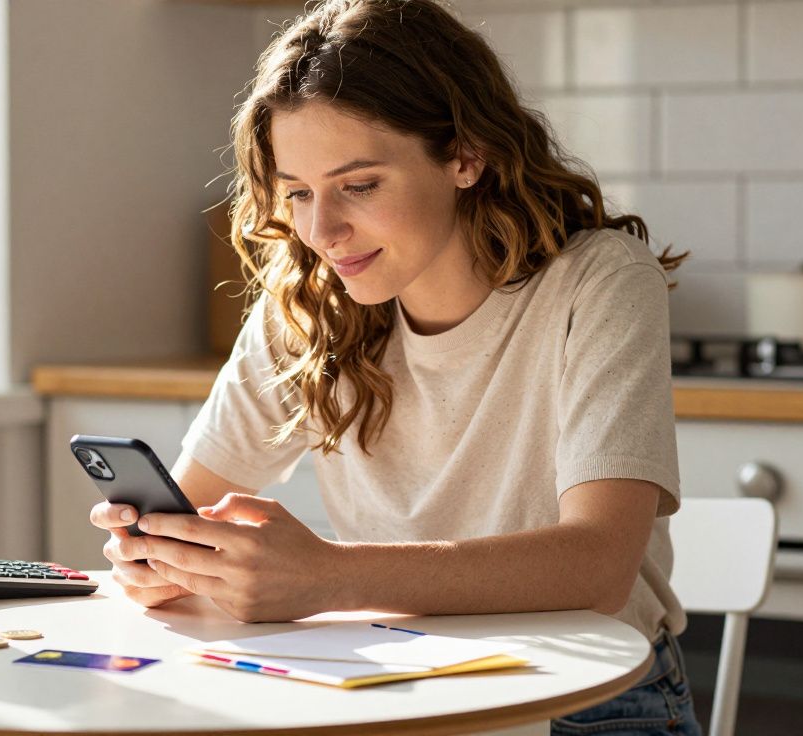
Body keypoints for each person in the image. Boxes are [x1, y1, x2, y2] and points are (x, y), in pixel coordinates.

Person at [89, 0, 700, 733]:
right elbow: (187, 506)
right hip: (394, 688)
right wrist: (158, 558)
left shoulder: (598, 282)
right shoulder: (310, 304)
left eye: (360, 185)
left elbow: (598, 566)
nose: (321, 232)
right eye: (299, 193)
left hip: (586, 700)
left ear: (466, 155)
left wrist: (324, 576)